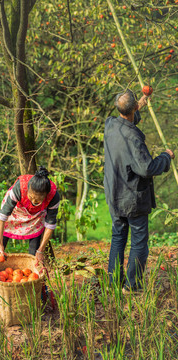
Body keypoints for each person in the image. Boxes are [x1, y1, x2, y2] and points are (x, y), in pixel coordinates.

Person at [104, 89, 175, 291]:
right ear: (134, 107)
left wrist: (139, 106)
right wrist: (165, 157)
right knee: (139, 242)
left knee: (118, 237)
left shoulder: (109, 125)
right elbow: (147, 168)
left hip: (113, 194)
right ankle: (131, 286)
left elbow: (125, 124)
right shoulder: (134, 139)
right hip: (131, 197)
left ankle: (113, 283)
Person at [0, 166, 60, 301]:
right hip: (15, 214)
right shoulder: (19, 188)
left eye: (37, 200)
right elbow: (2, 216)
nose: (33, 201)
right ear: (28, 190)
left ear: (45, 196)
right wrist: (0, 245)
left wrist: (41, 250)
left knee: (34, 257)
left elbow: (50, 225)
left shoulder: (53, 196)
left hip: (36, 218)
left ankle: (37, 289)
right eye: (31, 197)